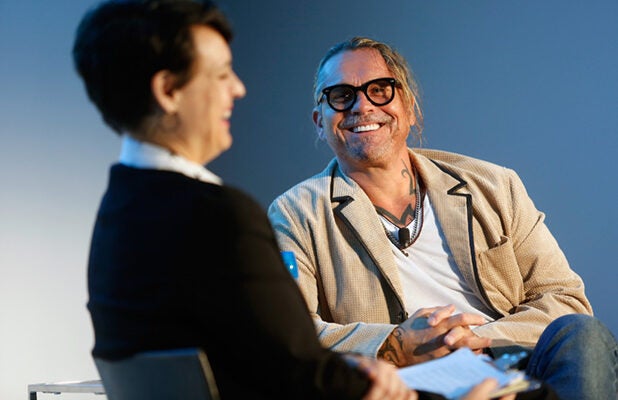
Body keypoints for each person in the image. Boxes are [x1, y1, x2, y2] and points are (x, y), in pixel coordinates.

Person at [72, 2, 518, 399]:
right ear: (168, 90)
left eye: (380, 90)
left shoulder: (117, 213)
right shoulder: (222, 216)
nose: (238, 89)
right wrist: (391, 375)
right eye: (222, 74)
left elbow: (270, 358)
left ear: (410, 106)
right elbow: (297, 369)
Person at [267, 36, 618, 400]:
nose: (362, 105)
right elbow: (291, 334)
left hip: (514, 368)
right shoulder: (296, 214)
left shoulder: (494, 185)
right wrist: (395, 344)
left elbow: (564, 298)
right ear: (319, 122)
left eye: (380, 90)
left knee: (581, 334)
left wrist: (477, 340)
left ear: (409, 107)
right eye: (341, 96)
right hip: (408, 386)